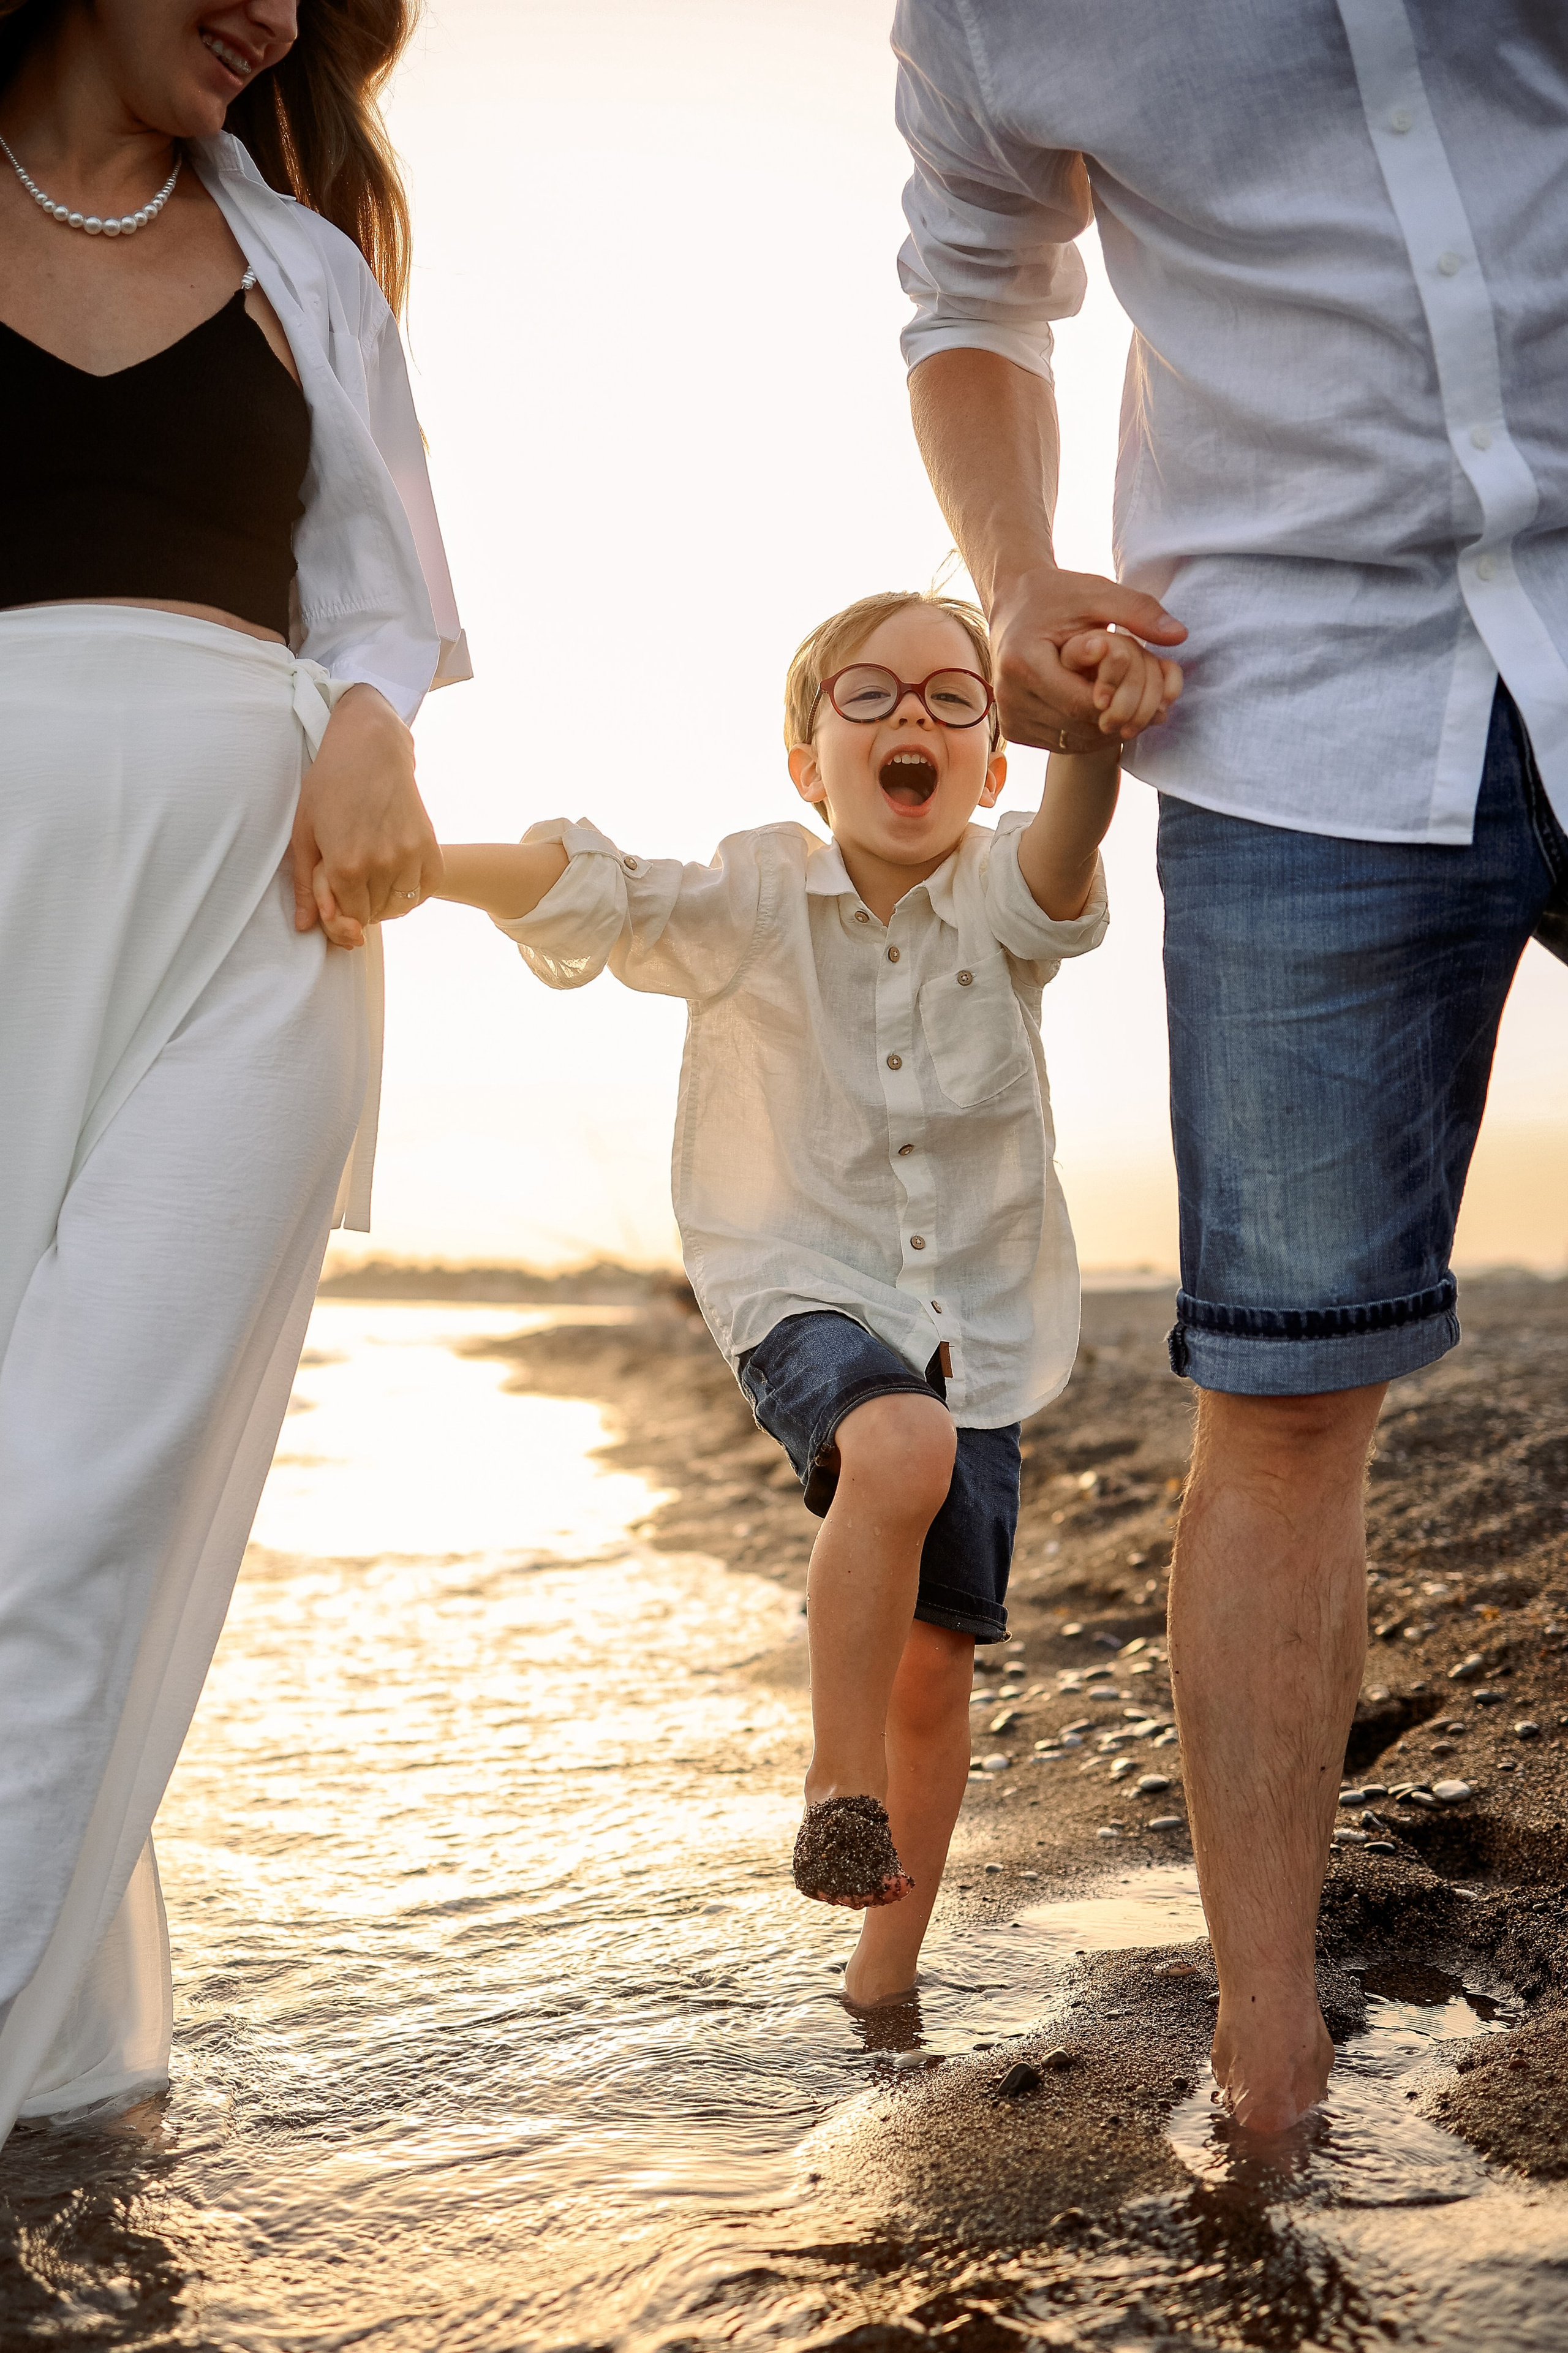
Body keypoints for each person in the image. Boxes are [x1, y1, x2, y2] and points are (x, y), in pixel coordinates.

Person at [891, 2, 1568, 2129]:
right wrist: (1015, 581)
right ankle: (1268, 2073)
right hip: (1283, 693)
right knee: (1282, 1396)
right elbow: (972, 276)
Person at [426, 587, 1174, 2005]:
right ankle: (836, 1781)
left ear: (993, 754)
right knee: (895, 1443)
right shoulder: (755, 891)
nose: (914, 718)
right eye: (870, 695)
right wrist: (425, 864)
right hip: (797, 1281)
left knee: (938, 1669)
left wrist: (1088, 728)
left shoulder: (1001, 894)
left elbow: (1068, 860)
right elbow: (604, 891)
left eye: (954, 698)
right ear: (805, 759)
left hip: (977, 1316)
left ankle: (877, 1985)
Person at [0, 0, 465, 2143]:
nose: (277, 13)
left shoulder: (308, 271)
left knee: (71, 1516)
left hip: (254, 928)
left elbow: (384, 610)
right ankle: (75, 2076)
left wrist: (371, 722)